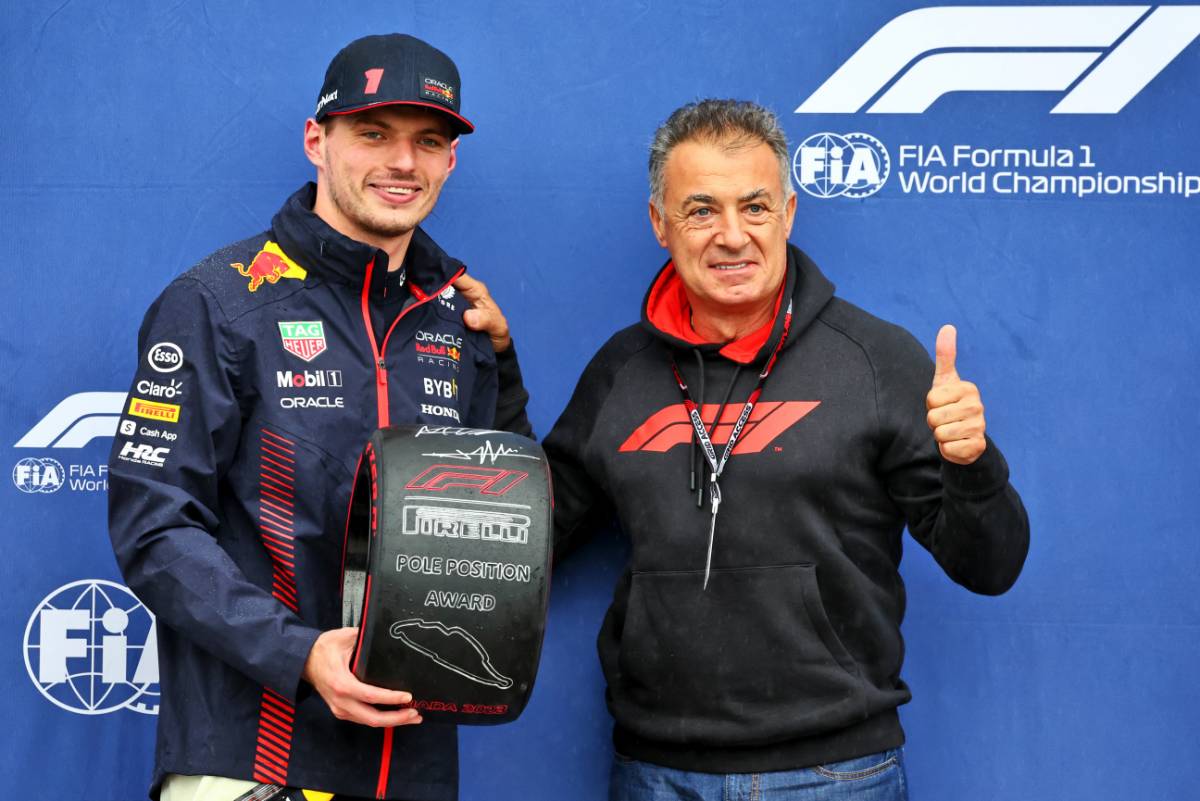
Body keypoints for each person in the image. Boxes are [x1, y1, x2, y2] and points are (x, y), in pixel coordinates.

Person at [543, 99, 1029, 800]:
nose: (732, 235)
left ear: (790, 213)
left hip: (836, 774)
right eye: (702, 210)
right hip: (656, 773)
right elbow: (528, 529)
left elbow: (992, 566)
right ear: (660, 223)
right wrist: (495, 371)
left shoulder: (874, 361)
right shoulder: (620, 372)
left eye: (756, 207)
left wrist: (972, 465)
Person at [107, 33, 531, 801]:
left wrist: (502, 367)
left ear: (450, 162)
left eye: (427, 142)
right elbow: (154, 526)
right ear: (317, 140)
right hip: (250, 762)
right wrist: (299, 653)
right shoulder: (219, 303)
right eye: (373, 134)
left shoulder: (458, 322)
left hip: (411, 768)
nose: (402, 163)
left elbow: (505, 530)